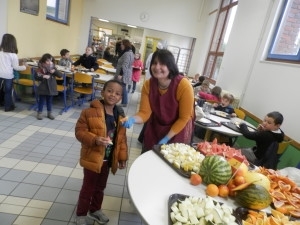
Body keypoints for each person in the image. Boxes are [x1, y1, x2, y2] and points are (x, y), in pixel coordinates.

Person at [74, 79, 128, 225]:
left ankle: (95, 209)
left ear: (120, 97)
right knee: (88, 188)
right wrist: (95, 139)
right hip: (93, 158)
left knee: (100, 187)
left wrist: (122, 157)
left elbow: (122, 139)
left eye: (117, 93)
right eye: (109, 91)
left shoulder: (120, 115)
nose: (112, 95)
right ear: (102, 92)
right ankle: (81, 214)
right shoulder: (89, 112)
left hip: (108, 160)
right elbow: (80, 132)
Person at [123, 49, 195, 153]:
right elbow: (145, 113)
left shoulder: (183, 85)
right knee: (150, 155)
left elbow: (184, 118)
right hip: (156, 127)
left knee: (171, 160)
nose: (157, 67)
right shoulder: (148, 85)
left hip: (178, 129)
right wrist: (132, 119)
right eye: (155, 63)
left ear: (170, 66)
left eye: (162, 64)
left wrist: (167, 138)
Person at [0, 33, 26, 112]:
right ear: (13, 43)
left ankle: (1, 103)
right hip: (8, 75)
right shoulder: (13, 55)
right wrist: (25, 66)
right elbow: (16, 67)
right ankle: (7, 107)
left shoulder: (0, 53)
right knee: (8, 92)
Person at [35, 53, 62, 120]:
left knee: (49, 101)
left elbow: (60, 75)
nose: (50, 62)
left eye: (51, 61)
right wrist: (43, 76)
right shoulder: (40, 67)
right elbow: (36, 76)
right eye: (48, 61)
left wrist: (54, 71)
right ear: (43, 61)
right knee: (41, 100)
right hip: (43, 87)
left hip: (51, 87)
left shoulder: (53, 67)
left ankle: (49, 113)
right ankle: (39, 113)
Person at [114, 39, 134, 107]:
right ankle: (123, 102)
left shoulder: (127, 53)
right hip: (125, 73)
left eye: (122, 44)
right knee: (123, 87)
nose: (121, 46)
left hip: (123, 74)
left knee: (122, 87)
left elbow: (125, 65)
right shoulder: (129, 52)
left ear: (125, 45)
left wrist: (120, 74)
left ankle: (124, 102)